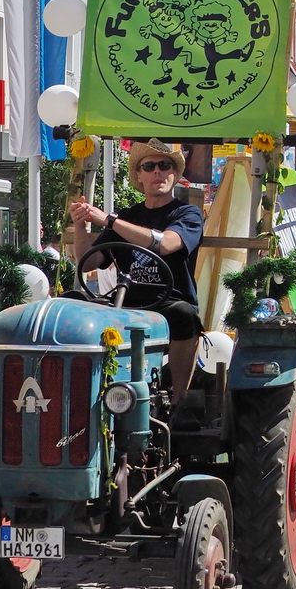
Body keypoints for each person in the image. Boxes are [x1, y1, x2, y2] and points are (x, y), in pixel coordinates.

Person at [68, 140, 204, 407]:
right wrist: (81, 225)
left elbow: (165, 244)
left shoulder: (188, 213)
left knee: (184, 314)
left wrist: (109, 220)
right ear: (139, 176)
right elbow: (89, 262)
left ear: (174, 174)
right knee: (76, 304)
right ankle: (81, 398)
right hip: (126, 299)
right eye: (149, 166)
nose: (158, 172)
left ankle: (178, 401)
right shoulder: (128, 215)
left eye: (165, 166)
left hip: (168, 300)